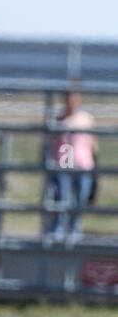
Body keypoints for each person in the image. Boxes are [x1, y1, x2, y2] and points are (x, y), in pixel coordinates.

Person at [47, 88, 98, 245]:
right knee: (63, 197)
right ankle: (59, 230)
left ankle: (75, 230)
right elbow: (52, 142)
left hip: (83, 164)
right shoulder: (59, 119)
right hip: (64, 162)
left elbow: (93, 143)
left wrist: (96, 164)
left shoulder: (86, 119)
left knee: (80, 199)